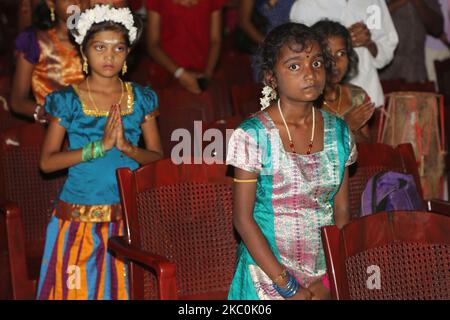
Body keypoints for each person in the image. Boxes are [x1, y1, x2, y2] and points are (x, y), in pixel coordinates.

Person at [36, 4, 163, 300]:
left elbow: (157, 157)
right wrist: (99, 148)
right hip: (79, 218)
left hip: (129, 217)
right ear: (84, 52)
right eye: (100, 47)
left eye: (118, 48)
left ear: (128, 53)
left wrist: (127, 148)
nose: (109, 56)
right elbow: (47, 162)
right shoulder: (68, 100)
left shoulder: (141, 98)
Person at [226, 23, 356, 300]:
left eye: (317, 63)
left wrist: (329, 279)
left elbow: (342, 213)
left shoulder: (339, 132)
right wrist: (286, 286)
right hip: (266, 276)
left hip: (324, 275)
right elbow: (242, 219)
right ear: (272, 78)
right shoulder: (252, 136)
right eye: (295, 66)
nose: (310, 73)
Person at [290, 0, 399, 107]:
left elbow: (387, 48)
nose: (335, 61)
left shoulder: (372, 2)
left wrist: (368, 43)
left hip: (368, 95)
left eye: (341, 53)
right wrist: (340, 40)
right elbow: (299, 55)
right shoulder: (305, 5)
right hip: (321, 103)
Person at [11, 0, 89, 122]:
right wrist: (47, 114)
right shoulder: (35, 41)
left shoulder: (99, 39)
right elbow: (17, 101)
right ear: (51, 4)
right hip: (54, 126)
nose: (77, 2)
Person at [313, 20, 374, 143]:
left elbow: (368, 149)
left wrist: (353, 130)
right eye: (327, 54)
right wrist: (344, 126)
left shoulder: (356, 96)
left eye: (341, 53)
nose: (335, 62)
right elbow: (305, 152)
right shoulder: (304, 100)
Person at [145, 0, 225, 94]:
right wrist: (181, 74)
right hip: (167, 72)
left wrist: (206, 75)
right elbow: (153, 44)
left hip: (202, 72)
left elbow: (215, 40)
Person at [380, 0, 443, 83]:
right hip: (386, 73)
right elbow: (370, 21)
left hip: (417, 71)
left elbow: (437, 29)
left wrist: (419, 3)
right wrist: (397, 3)